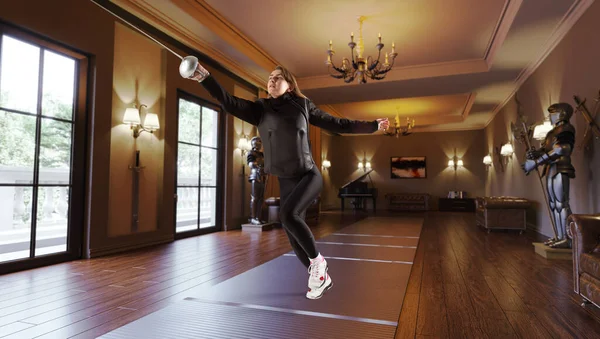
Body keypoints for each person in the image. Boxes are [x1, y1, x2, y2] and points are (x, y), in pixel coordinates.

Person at [185, 62, 389, 300]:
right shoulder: (260, 109)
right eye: (270, 77)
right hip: (285, 179)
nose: (271, 80)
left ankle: (319, 262)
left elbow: (338, 124)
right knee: (292, 235)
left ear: (290, 86)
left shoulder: (302, 105)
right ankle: (321, 278)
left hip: (308, 175)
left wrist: (372, 126)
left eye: (278, 77)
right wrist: (205, 77)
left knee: (287, 215)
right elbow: (230, 102)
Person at [522, 102, 575, 249]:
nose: (550, 117)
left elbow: (562, 149)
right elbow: (547, 150)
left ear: (561, 114)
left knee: (561, 203)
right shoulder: (552, 133)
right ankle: (559, 236)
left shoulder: (566, 128)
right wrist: (535, 154)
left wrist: (536, 162)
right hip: (550, 168)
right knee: (553, 205)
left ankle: (567, 238)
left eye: (553, 113)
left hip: (560, 166)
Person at [247, 136, 267, 225]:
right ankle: (252, 218)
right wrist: (258, 165)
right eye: (258, 142)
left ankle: (258, 217)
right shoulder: (251, 153)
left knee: (261, 198)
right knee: (254, 198)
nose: (260, 143)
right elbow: (251, 164)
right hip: (255, 175)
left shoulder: (262, 155)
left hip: (263, 176)